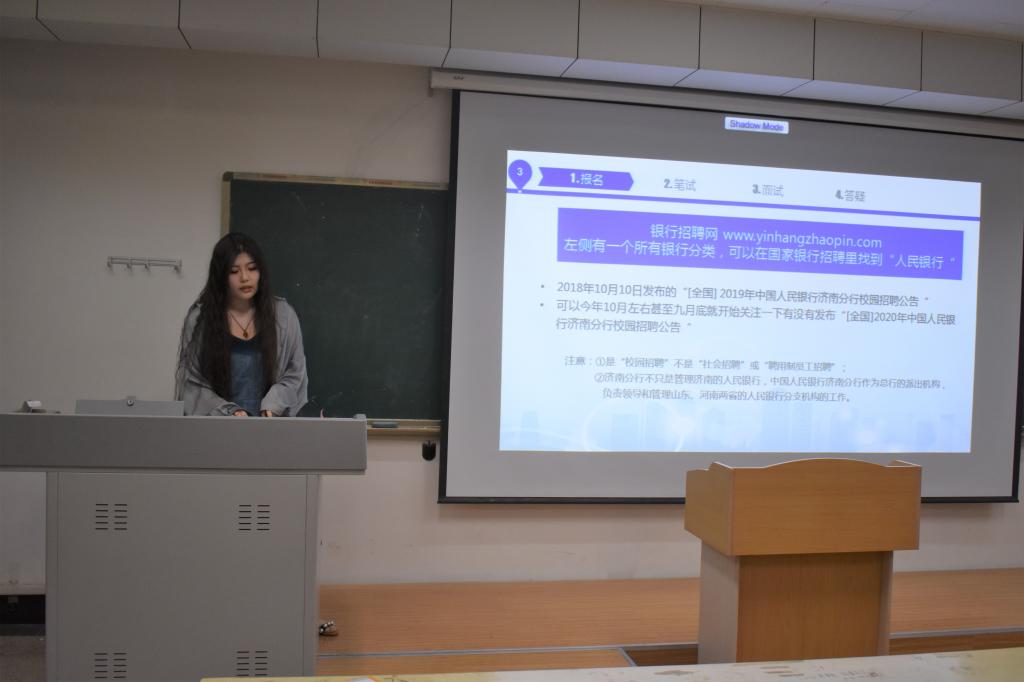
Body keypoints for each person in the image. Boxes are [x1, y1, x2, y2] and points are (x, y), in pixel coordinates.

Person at [176, 233, 308, 417]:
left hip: (271, 427)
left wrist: (274, 404)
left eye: (252, 268)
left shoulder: (284, 316)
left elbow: (296, 375)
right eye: (234, 271)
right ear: (221, 275)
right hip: (218, 428)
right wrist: (229, 411)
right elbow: (192, 384)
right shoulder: (200, 319)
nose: (245, 277)